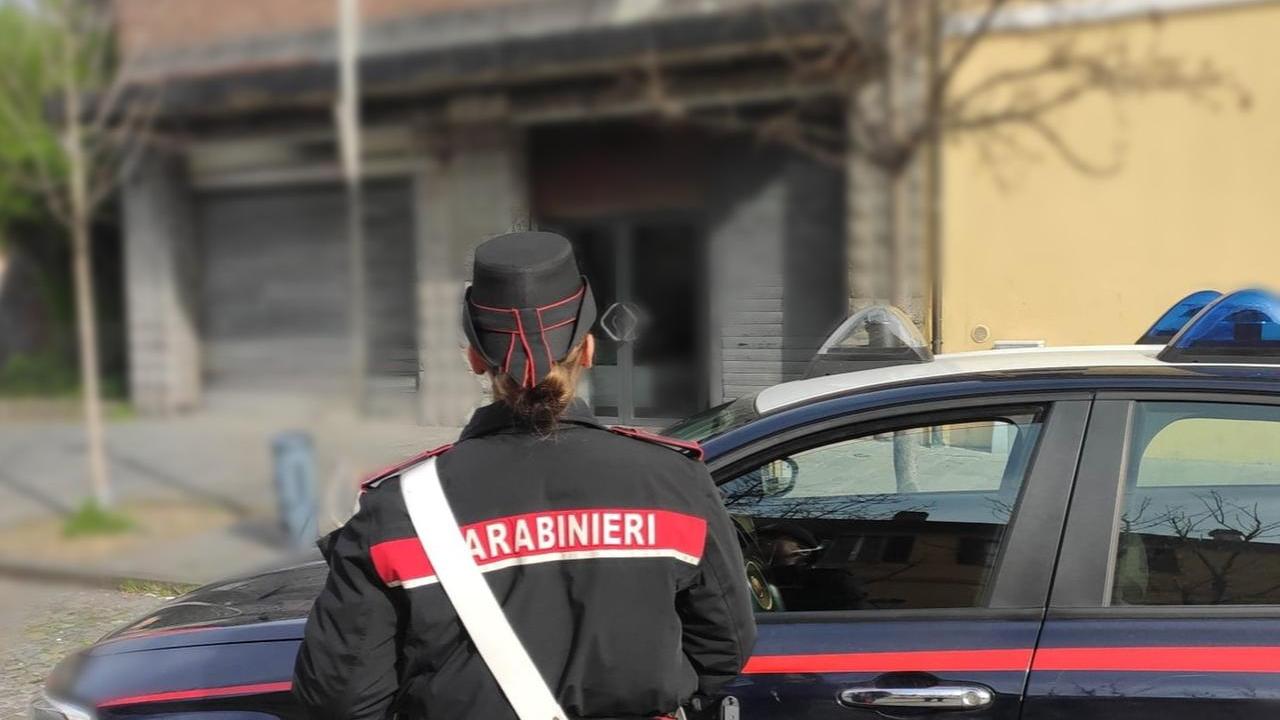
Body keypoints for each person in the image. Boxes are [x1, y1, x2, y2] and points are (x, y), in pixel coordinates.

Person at [293, 231, 757, 720]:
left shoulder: (397, 508)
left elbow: (340, 697)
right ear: (589, 349)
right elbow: (723, 648)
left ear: (474, 357)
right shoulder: (673, 482)